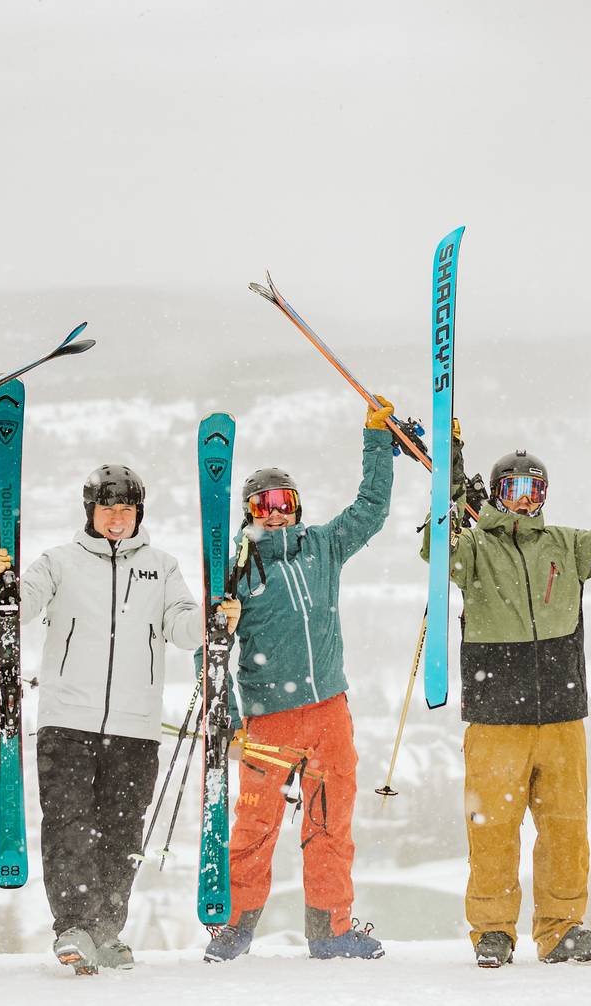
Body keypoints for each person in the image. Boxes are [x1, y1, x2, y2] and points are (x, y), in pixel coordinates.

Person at [0, 464, 230, 974]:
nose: (117, 519)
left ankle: (106, 930)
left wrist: (215, 617)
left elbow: (183, 629)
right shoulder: (59, 561)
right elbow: (18, 607)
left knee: (121, 834)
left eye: (127, 509)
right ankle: (73, 926)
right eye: (107, 508)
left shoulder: (162, 566)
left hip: (136, 726)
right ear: (90, 512)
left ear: (139, 513)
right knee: (70, 825)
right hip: (67, 721)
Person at [421, 424, 591, 969]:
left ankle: (561, 928)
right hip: (496, 719)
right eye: (512, 489)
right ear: (494, 494)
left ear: (544, 495)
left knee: (566, 827)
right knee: (493, 829)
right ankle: (493, 930)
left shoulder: (566, 545)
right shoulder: (473, 549)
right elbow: (433, 547)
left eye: (532, 490)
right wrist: (448, 475)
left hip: (562, 714)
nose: (523, 499)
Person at [202, 399, 396, 963]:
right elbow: (208, 647)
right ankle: (234, 927)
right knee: (256, 825)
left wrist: (377, 439)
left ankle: (329, 930)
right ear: (247, 512)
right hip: (268, 717)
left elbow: (372, 508)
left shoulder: (323, 547)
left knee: (331, 823)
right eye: (263, 504)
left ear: (297, 506)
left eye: (283, 502)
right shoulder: (235, 566)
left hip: (330, 710)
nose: (276, 512)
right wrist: (225, 714)